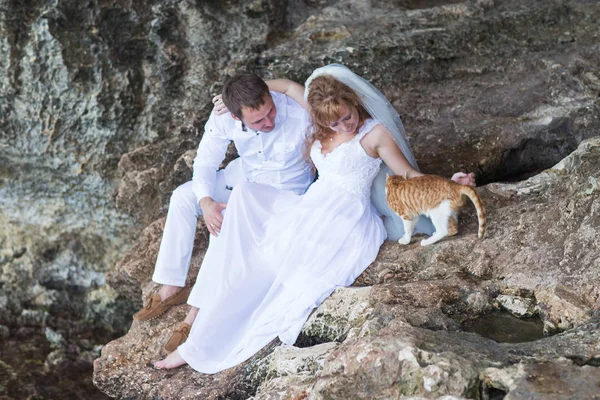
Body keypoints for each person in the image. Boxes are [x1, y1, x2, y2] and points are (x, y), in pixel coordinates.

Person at [152, 64, 475, 371]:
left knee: (286, 279)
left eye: (347, 117)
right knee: (246, 219)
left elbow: (408, 174)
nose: (343, 126)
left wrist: (450, 185)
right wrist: (231, 95)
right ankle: (194, 325)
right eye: (335, 122)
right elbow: (290, 87)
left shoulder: (374, 135)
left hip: (345, 216)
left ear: (353, 103)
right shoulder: (321, 125)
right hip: (308, 206)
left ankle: (197, 346)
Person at [132, 72, 315, 327]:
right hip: (245, 174)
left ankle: (199, 310)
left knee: (224, 220)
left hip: (282, 190)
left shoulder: (299, 111)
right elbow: (205, 162)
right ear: (234, 115)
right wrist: (206, 202)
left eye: (270, 112)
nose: (269, 122)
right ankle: (171, 286)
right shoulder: (223, 115)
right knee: (184, 196)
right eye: (258, 121)